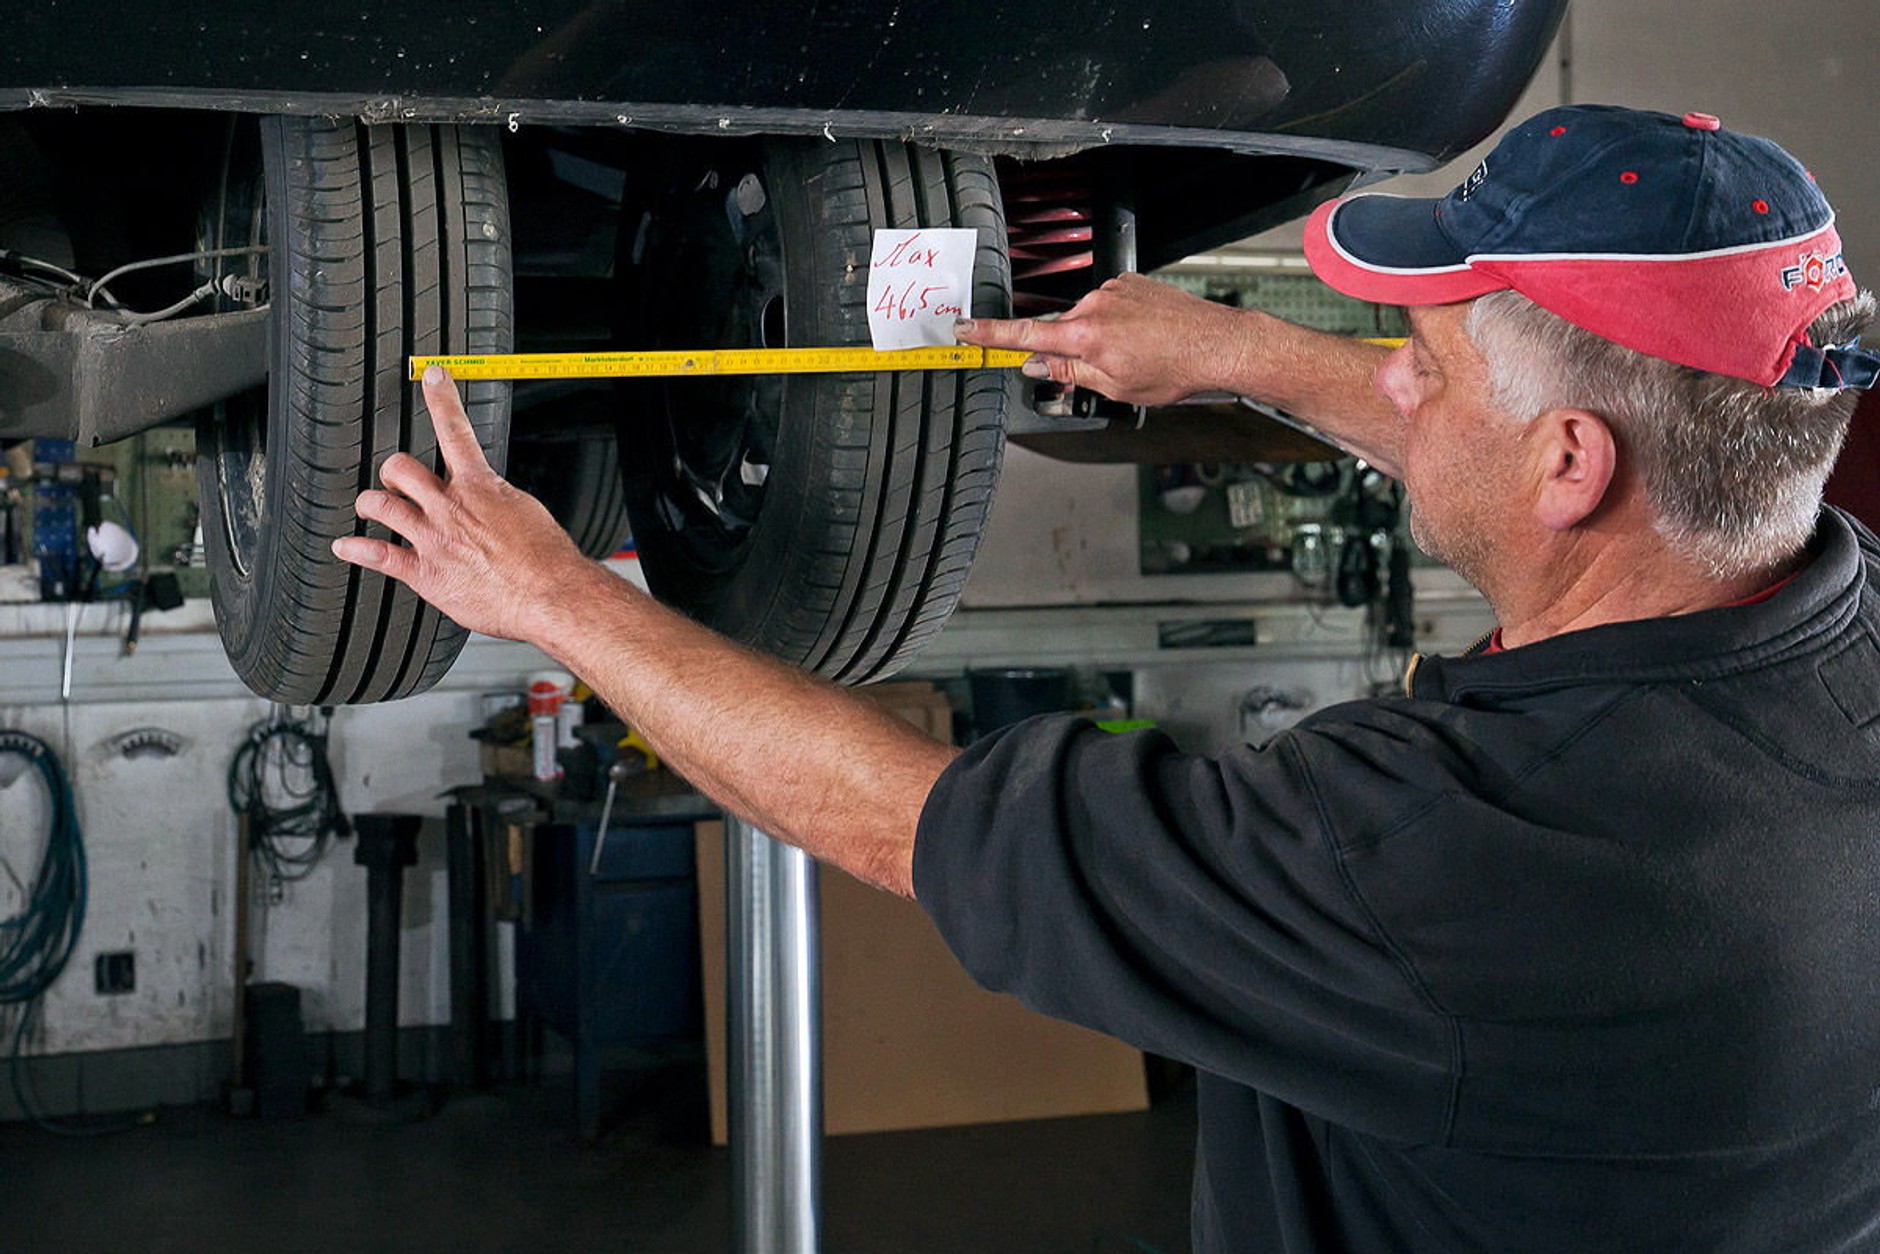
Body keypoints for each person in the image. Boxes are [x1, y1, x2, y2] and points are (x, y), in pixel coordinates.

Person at [335, 105, 1880, 1251]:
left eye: (1431, 361)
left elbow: (907, 819)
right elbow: (1530, 442)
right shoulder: (1825, 612)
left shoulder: (1456, 863)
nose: (1396, 378)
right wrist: (1239, 350)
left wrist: (550, 596)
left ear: (1569, 461)